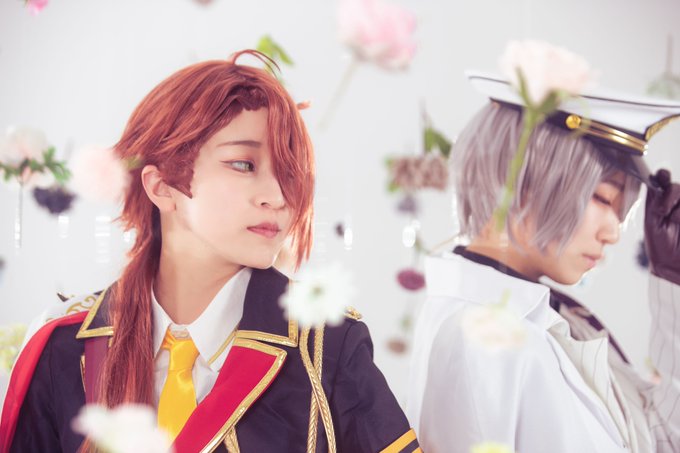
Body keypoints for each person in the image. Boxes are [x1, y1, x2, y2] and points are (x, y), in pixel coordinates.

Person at [0, 51, 419, 453]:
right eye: (244, 164)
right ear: (161, 187)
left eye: (290, 170)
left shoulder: (328, 348)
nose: (277, 197)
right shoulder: (63, 348)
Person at [406, 71, 680, 452]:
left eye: (621, 209)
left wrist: (673, 279)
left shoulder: (557, 318)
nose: (613, 233)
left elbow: (661, 437)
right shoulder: (482, 342)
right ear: (522, 181)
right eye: (603, 198)